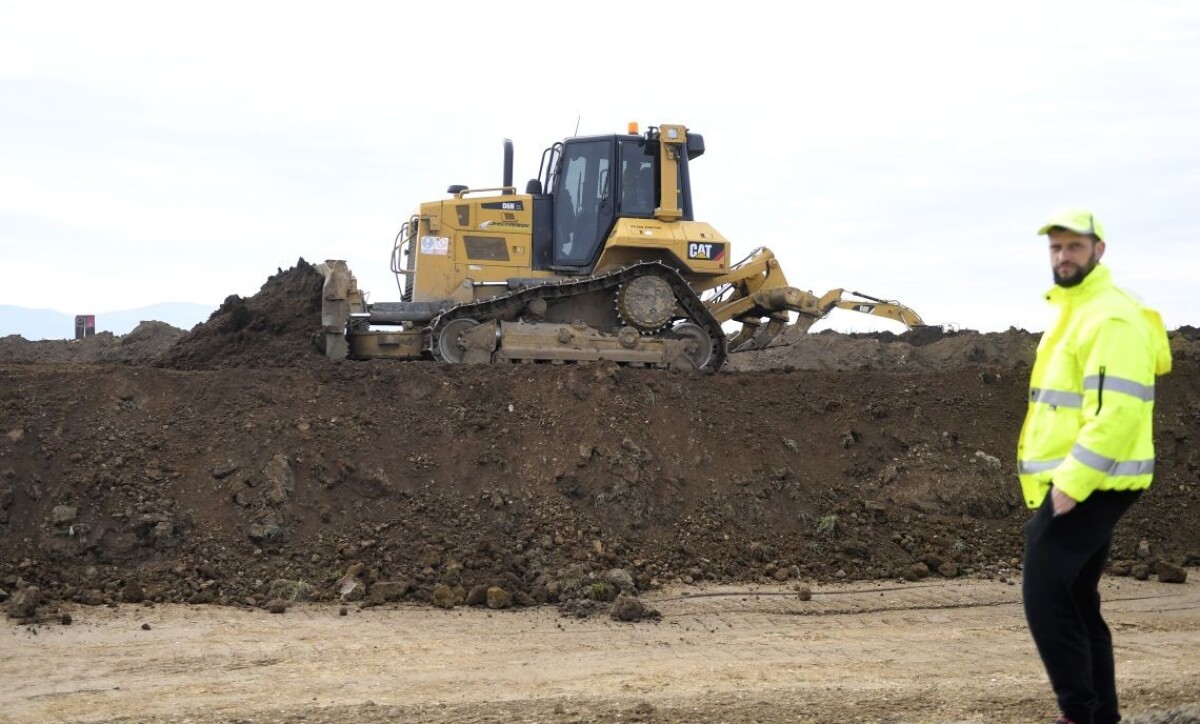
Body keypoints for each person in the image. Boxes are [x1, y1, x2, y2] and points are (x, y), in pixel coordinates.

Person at [1017, 207, 1172, 724]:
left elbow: (1119, 411)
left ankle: (1081, 715)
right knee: (1077, 597)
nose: (1063, 257)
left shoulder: (1111, 316)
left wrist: (1073, 481)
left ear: (1098, 251)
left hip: (1094, 480)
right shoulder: (1075, 311)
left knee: (1045, 595)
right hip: (1085, 478)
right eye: (1056, 248)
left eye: (1074, 247)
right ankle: (1099, 715)